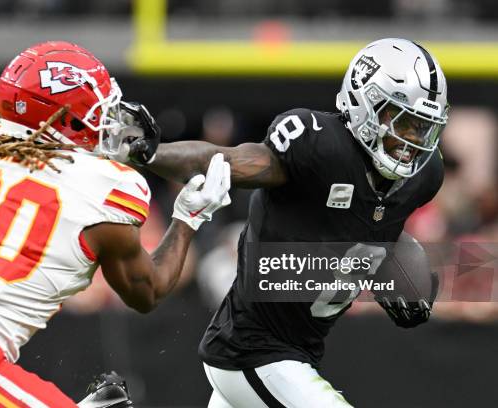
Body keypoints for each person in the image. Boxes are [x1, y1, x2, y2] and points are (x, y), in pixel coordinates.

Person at [0, 41, 231, 408]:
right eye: (99, 110)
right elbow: (147, 291)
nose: (109, 119)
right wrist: (189, 217)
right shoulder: (106, 187)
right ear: (63, 118)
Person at [121, 38, 448, 407]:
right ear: (365, 104)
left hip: (296, 353)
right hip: (253, 351)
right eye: (401, 123)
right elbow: (226, 160)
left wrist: (400, 265)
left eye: (422, 129)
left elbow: (373, 223)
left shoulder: (424, 176)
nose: (411, 142)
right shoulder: (319, 145)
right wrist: (149, 152)